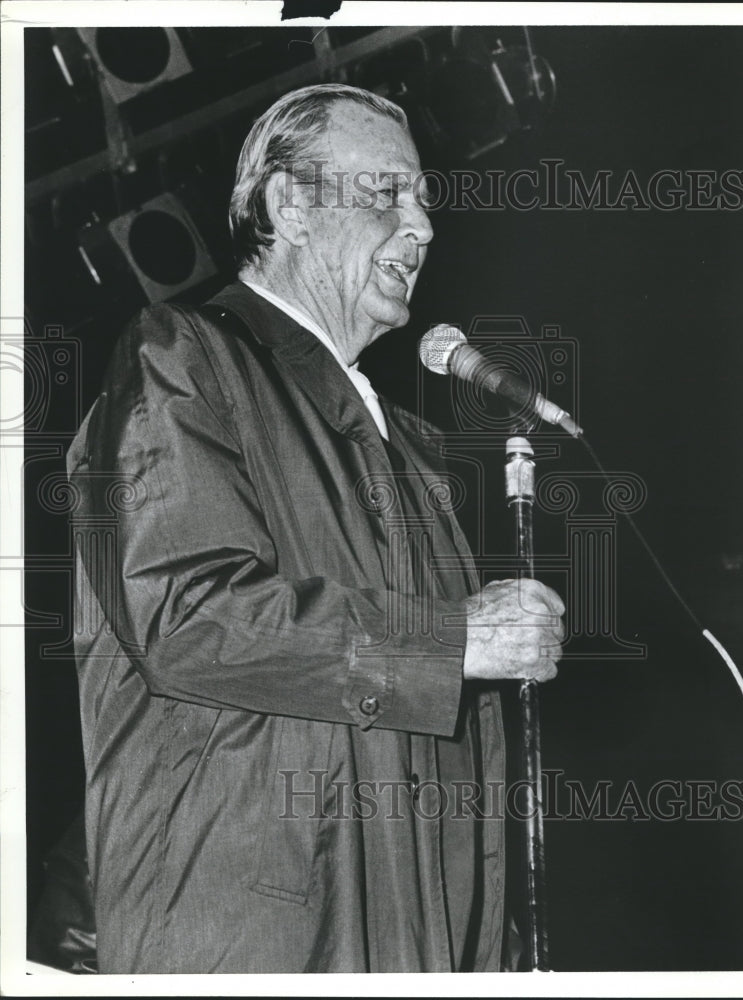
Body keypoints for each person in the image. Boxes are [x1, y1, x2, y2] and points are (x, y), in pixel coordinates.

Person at [66, 83, 565, 974]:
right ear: (289, 204)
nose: (422, 227)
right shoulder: (181, 356)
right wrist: (453, 636)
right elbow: (187, 617)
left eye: (423, 199)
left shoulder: (409, 445)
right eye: (386, 193)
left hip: (410, 937)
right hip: (257, 936)